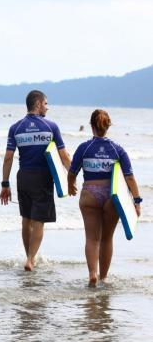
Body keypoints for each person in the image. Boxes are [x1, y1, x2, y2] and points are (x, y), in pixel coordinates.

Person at [0, 90, 71, 271]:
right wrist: (73, 177)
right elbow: (63, 156)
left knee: (26, 219)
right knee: (39, 221)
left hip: (23, 177)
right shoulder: (51, 127)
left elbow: (8, 158)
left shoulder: (15, 127)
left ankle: (28, 257)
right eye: (46, 103)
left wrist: (5, 184)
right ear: (38, 104)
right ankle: (31, 259)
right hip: (42, 178)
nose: (47, 107)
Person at [67, 109, 141, 287]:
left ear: (91, 126)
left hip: (89, 194)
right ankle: (103, 278)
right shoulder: (118, 149)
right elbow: (129, 178)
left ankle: (92, 274)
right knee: (107, 238)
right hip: (111, 196)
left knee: (92, 238)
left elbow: (72, 173)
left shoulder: (84, 148)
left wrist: (71, 186)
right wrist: (137, 201)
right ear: (108, 126)